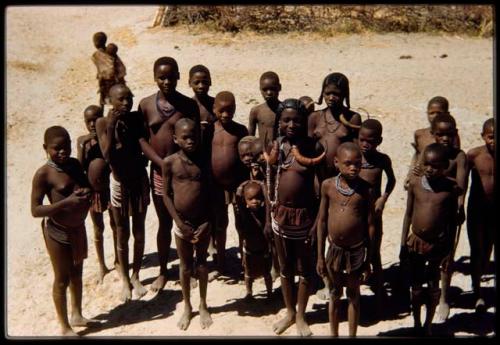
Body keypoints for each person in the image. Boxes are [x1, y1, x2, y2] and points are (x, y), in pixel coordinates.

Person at [138, 56, 200, 293]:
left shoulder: (188, 105)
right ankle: (163, 271)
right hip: (159, 172)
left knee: (187, 217)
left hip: (184, 172)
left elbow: (196, 139)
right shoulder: (145, 105)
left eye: (171, 77)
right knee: (165, 221)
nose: (166, 82)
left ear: (178, 77)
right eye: (161, 77)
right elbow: (142, 138)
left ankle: (190, 268)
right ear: (154, 78)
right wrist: (160, 162)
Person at [264, 98, 325, 336]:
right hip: (280, 216)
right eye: (286, 120)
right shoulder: (276, 146)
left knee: (306, 268)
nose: (291, 125)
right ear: (279, 122)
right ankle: (289, 312)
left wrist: (317, 223)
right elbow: (268, 184)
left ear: (305, 122)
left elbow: (323, 191)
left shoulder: (314, 149)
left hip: (305, 218)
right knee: (285, 267)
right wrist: (269, 220)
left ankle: (301, 315)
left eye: (297, 121)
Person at [31, 126, 97, 336]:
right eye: (56, 148)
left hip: (78, 228)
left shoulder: (75, 165)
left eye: (66, 146)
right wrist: (66, 203)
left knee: (77, 273)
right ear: (45, 148)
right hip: (57, 232)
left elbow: (87, 186)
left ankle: (77, 314)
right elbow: (35, 210)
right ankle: (64, 325)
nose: (62, 151)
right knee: (62, 279)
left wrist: (87, 192)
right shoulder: (43, 174)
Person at [96, 83, 150, 302]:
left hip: (138, 180)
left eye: (129, 98)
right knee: (121, 231)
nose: (126, 103)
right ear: (110, 101)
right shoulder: (102, 123)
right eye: (121, 99)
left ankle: (136, 275)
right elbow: (107, 155)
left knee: (139, 229)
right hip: (119, 181)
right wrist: (111, 124)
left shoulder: (136, 119)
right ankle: (125, 279)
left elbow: (143, 143)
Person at [401, 143, 462, 336]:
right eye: (426, 164)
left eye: (435, 166)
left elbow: (453, 223)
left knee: (433, 285)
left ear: (445, 166)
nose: (429, 169)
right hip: (416, 242)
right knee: (416, 285)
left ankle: (428, 325)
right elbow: (408, 215)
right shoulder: (415, 184)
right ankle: (417, 322)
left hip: (438, 244)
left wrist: (449, 252)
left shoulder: (450, 190)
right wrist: (403, 243)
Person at [316, 142, 374, 337]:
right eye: (348, 163)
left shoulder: (365, 190)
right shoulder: (328, 186)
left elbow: (371, 226)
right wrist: (320, 257)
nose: (353, 168)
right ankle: (333, 335)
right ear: (336, 162)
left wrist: (369, 259)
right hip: (334, 249)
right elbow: (322, 221)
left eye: (357, 164)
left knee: (353, 295)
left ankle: (351, 336)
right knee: (334, 294)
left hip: (356, 251)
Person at [414, 113, 467, 321]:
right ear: (434, 135)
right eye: (441, 135)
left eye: (449, 134)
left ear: (455, 134)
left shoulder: (458, 156)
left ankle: (444, 298)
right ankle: (426, 298)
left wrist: (460, 208)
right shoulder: (429, 153)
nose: (445, 139)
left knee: (447, 258)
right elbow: (417, 175)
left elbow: (461, 185)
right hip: (427, 206)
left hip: (449, 210)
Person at [161, 118, 213, 330]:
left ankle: (202, 304)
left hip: (202, 222)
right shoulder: (169, 162)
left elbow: (210, 192)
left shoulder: (204, 160)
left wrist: (208, 222)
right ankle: (187, 306)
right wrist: (178, 222)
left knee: (201, 263)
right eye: (185, 137)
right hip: (181, 222)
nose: (190, 140)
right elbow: (165, 194)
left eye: (194, 136)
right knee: (184, 266)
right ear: (175, 139)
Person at [207, 91, 249, 279]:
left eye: (230, 110)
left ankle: (246, 261)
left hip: (237, 185)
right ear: (214, 109)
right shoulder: (209, 131)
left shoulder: (240, 131)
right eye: (221, 110)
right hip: (216, 187)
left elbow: (246, 158)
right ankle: (221, 262)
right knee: (220, 225)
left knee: (242, 224)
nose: (225, 114)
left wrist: (245, 184)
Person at [357, 119, 396, 316]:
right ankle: (354, 297)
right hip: (355, 214)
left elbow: (392, 180)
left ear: (379, 141)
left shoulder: (382, 160)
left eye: (370, 141)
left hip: (374, 213)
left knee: (374, 253)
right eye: (362, 139)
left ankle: (380, 296)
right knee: (354, 252)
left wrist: (383, 199)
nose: (365, 144)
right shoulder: (353, 159)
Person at [76, 105, 118, 283]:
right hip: (93, 192)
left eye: (96, 119)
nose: (93, 124)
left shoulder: (106, 137)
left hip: (109, 189)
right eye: (89, 121)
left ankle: (118, 259)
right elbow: (79, 168)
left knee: (115, 224)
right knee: (98, 228)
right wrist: (83, 145)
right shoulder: (82, 141)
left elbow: (110, 158)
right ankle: (102, 264)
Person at [308, 72, 362, 184]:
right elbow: (306, 148)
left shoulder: (352, 118)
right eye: (328, 93)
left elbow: (358, 151)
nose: (331, 98)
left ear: (344, 95)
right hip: (316, 177)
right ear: (322, 94)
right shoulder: (315, 117)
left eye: (336, 94)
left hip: (342, 179)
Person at [466, 118, 494, 312]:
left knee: (489, 249)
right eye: (491, 137)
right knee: (476, 250)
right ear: (483, 136)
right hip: (477, 209)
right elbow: (459, 178)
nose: (494, 141)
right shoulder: (474, 155)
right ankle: (477, 293)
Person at [404, 96, 460, 189]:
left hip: (441, 181)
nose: (435, 116)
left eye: (439, 113)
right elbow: (417, 154)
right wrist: (410, 174)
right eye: (431, 113)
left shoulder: (450, 137)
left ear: (447, 114)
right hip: (421, 179)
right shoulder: (420, 134)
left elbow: (453, 160)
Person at [235, 180, 273, 300]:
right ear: (245, 201)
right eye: (250, 199)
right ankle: (249, 292)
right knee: (248, 274)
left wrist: (262, 185)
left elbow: (268, 202)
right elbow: (237, 199)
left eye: (257, 198)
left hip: (264, 250)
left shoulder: (264, 215)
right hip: (249, 251)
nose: (254, 201)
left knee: (266, 273)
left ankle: (269, 293)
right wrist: (242, 185)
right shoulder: (245, 215)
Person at [248, 71, 282, 150]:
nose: (269, 92)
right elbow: (250, 138)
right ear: (260, 89)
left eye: (272, 89)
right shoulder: (256, 111)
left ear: (279, 87)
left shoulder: (285, 110)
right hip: (263, 153)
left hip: (282, 153)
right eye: (265, 89)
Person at [188, 64, 216, 140]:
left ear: (210, 82)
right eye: (197, 82)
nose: (201, 86)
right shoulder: (187, 105)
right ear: (189, 83)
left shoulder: (216, 104)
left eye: (205, 82)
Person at [91, 32, 115, 107]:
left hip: (105, 80)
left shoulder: (96, 55)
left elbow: (101, 69)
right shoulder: (111, 51)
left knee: (103, 99)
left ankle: (101, 114)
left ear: (95, 43)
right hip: (115, 79)